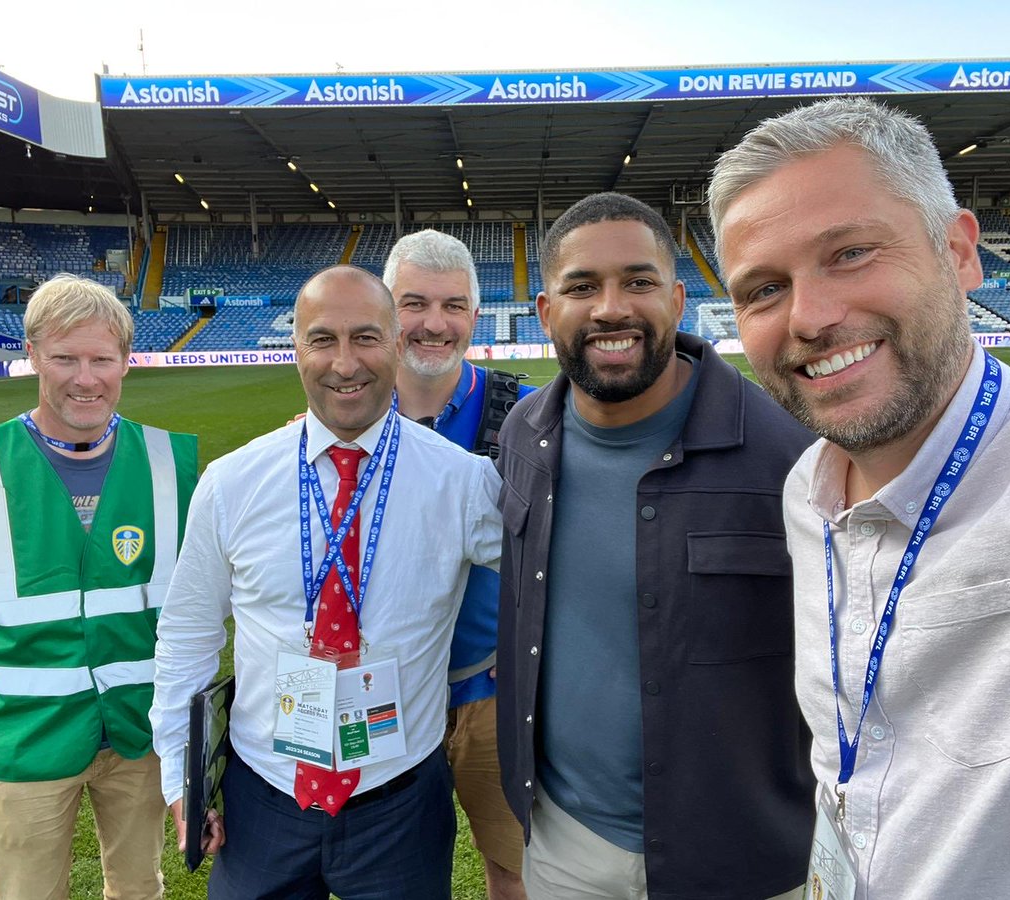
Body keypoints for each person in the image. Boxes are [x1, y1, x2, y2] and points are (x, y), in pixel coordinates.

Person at [709, 97, 1010, 899]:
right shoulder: (805, 492)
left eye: (851, 252)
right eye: (763, 290)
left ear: (961, 253)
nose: (811, 317)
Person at [496, 192, 816, 900]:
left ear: (675, 301)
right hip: (568, 843)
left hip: (741, 860)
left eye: (638, 282)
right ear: (548, 312)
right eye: (582, 286)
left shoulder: (791, 455)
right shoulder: (523, 436)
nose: (611, 307)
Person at [150, 265, 503, 900]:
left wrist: (528, 658)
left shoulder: (463, 482)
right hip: (263, 795)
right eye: (323, 340)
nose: (345, 364)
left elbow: (558, 577)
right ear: (296, 351)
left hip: (399, 798)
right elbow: (187, 634)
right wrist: (182, 782)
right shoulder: (231, 484)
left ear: (397, 345)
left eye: (366, 338)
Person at [0, 274, 198, 900]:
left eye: (102, 358)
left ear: (126, 359)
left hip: (140, 735)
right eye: (65, 357)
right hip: (22, 740)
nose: (86, 377)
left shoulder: (173, 465)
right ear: (33, 353)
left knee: (140, 889)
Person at [383, 228, 531, 900]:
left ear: (476, 314)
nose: (433, 324)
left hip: (493, 697)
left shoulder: (531, 415)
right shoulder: (344, 414)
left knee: (516, 866)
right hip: (382, 699)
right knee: (397, 879)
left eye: (452, 306)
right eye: (414, 304)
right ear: (386, 310)